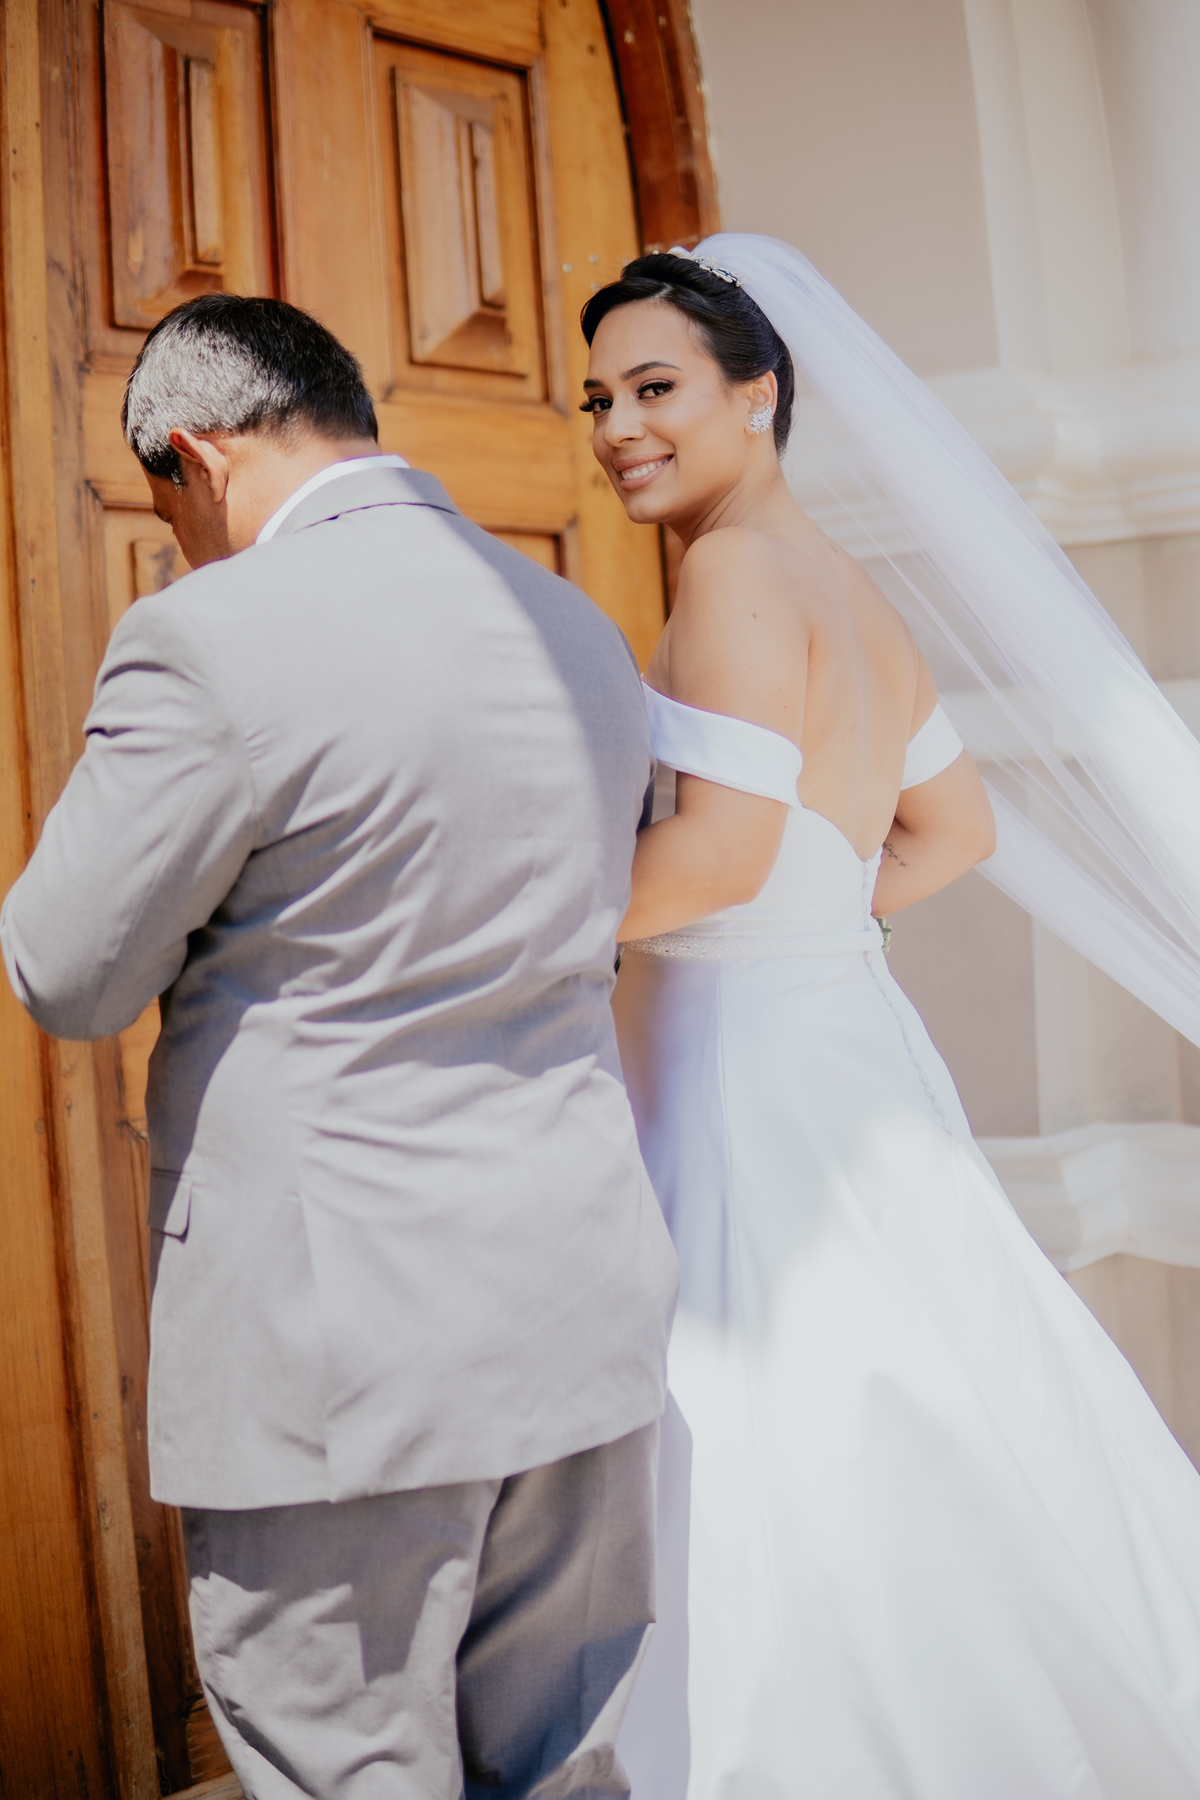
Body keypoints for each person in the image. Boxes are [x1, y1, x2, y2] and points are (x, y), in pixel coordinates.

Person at [0, 293, 678, 1799]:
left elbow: (67, 968)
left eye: (168, 510)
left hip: (345, 1345)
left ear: (196, 456)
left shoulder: (209, 640)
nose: (184, 546)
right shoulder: (575, 625)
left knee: (342, 1765)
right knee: (563, 1767)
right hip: (578, 1297)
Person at [580, 243, 1200, 1797]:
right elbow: (953, 829)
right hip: (841, 1041)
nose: (617, 427)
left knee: (779, 1418)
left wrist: (503, 927)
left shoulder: (731, 577)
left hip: (744, 1078)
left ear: (758, 394)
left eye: (654, 389)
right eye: (598, 399)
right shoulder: (849, 587)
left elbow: (718, 855)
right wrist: (819, 926)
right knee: (932, 1391)